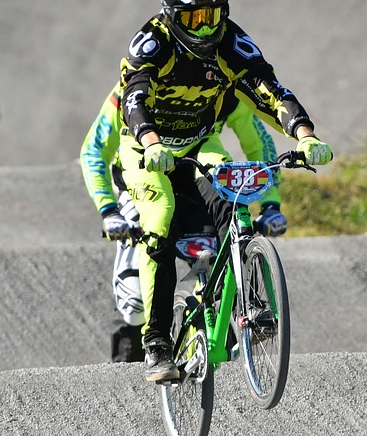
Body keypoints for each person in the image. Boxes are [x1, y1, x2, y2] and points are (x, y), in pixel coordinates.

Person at [88, 0, 332, 383]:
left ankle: (237, 303)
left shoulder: (230, 43)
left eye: (214, 14)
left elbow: (268, 90)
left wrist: (305, 134)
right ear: (173, 14)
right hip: (146, 149)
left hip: (201, 143)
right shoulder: (152, 41)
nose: (206, 26)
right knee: (160, 217)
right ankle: (157, 341)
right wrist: (151, 142)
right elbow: (134, 98)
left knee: (235, 197)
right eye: (196, 16)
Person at [81, 88, 288, 362]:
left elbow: (259, 143)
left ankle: (215, 331)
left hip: (195, 184)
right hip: (139, 186)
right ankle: (137, 358)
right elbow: (95, 149)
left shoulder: (225, 83)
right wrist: (109, 210)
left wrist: (270, 205)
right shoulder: (132, 88)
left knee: (219, 255)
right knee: (134, 303)